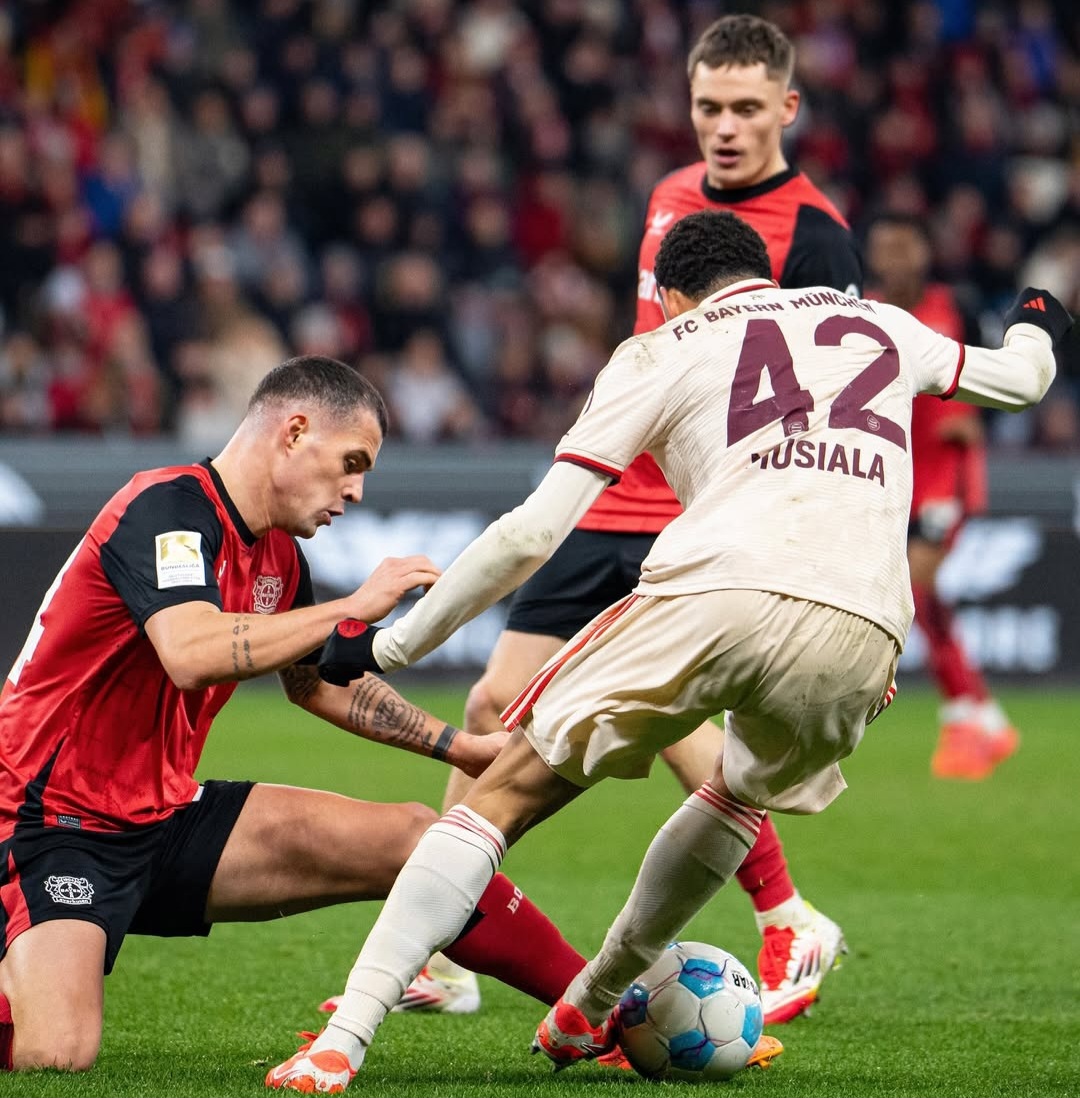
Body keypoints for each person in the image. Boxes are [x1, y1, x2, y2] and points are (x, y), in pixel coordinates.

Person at [265, 211, 1066, 1092]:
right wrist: (1039, 313)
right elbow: (1024, 379)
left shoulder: (663, 345)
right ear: (764, 271)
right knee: (737, 795)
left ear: (668, 294)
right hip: (869, 629)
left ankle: (342, 1039)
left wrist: (388, 646)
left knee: (503, 795)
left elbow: (530, 534)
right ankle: (592, 1000)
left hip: (720, 588)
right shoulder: (877, 320)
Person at [0, 354, 613, 1073]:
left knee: (416, 839)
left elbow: (318, 684)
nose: (355, 491)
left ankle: (595, 1015)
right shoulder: (165, 508)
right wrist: (352, 606)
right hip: (49, 821)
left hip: (160, 815)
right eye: (352, 463)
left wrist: (464, 748)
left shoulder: (280, 557)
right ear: (294, 432)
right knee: (57, 1052)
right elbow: (191, 650)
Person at [432, 12, 861, 1027]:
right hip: (609, 494)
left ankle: (787, 914)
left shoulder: (817, 234)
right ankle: (446, 954)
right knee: (494, 702)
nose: (725, 126)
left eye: (747, 107)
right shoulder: (670, 197)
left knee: (666, 722)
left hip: (696, 511)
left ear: (788, 108)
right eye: (710, 105)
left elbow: (830, 404)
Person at [865, 212, 1019, 780]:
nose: (895, 258)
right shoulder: (865, 312)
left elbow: (1006, 374)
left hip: (945, 479)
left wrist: (977, 418)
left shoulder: (957, 308)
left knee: (918, 590)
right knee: (925, 604)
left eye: (904, 246)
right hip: (891, 479)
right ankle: (989, 719)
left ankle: (962, 721)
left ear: (925, 252)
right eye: (885, 247)